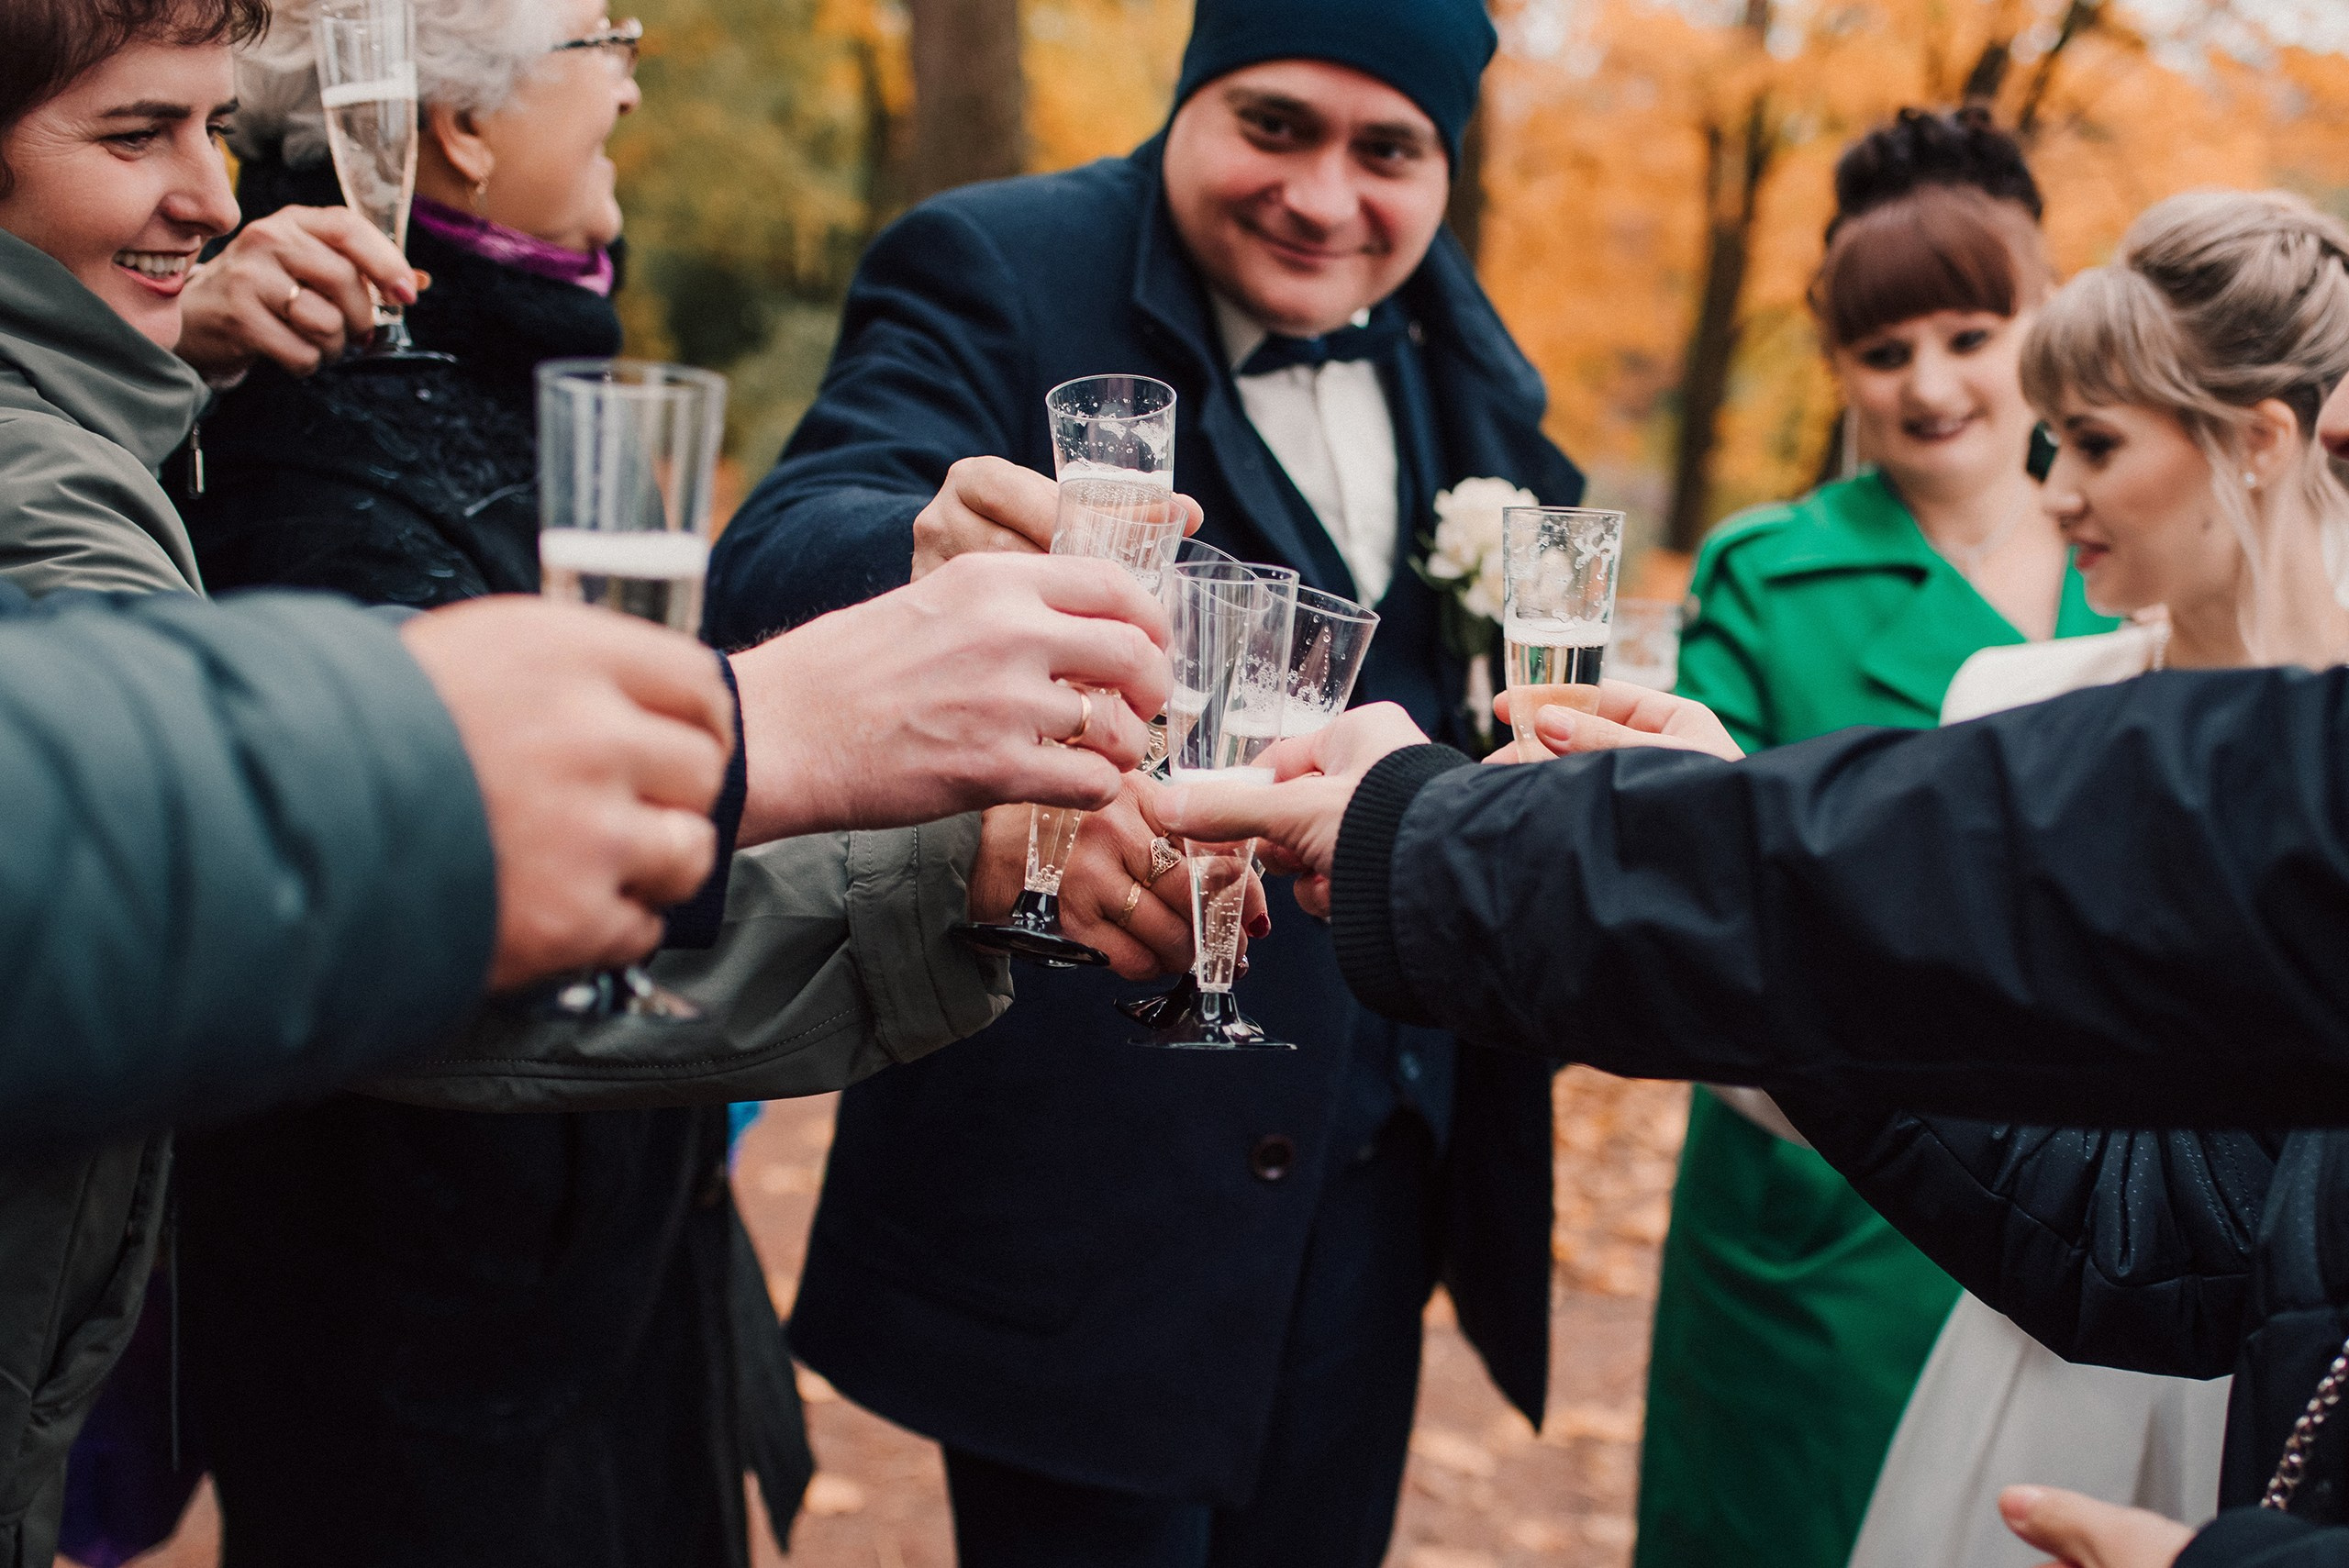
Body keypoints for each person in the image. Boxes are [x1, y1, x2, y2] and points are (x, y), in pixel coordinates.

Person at [0, 4, 1168, 1561]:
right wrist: (823, 764)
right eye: (137, 133)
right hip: (442, 1343)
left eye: (211, 131)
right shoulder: (272, 434)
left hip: (601, 1272)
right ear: (462, 130)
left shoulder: (242, 385)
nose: (212, 195)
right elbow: (304, 875)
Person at [705, 0, 1582, 1559]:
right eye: (1273, 125)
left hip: (1374, 1189)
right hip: (1086, 1205)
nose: (1325, 196)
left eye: (1386, 150)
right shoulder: (994, 261)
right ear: (1188, 98)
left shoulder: (1470, 359)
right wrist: (918, 561)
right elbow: (776, 549)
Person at [1636, 106, 2123, 1568]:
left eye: (1970, 335)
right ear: (1837, 358)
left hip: (2119, 1195)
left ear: (2046, 316)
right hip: (1827, 1205)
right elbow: (1684, 871)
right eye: (1882, 350)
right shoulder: (1771, 576)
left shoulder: (2151, 542)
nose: (1929, 387)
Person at [1842, 186, 2349, 1568]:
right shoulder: (2010, 697)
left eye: (2097, 444)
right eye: (2053, 438)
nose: (2053, 487)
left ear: (2254, 441)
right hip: (2033, 1362)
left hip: (2294, 1414)